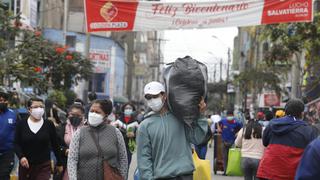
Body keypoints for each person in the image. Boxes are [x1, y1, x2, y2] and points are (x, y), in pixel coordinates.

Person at [137, 81, 209, 180]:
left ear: (164, 96)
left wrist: (200, 116)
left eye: (155, 96)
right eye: (149, 97)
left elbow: (197, 138)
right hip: (162, 177)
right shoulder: (145, 126)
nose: (152, 100)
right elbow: (144, 158)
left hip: (185, 175)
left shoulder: (180, 118)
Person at [257, 98, 318, 180]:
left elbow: (265, 142)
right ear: (302, 113)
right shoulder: (309, 130)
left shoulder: (272, 124)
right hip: (291, 174)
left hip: (267, 172)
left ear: (285, 111)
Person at [67, 99, 128, 180]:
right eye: (91, 111)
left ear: (105, 116)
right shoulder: (79, 133)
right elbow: (72, 159)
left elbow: (123, 158)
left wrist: (122, 177)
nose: (93, 114)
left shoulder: (116, 133)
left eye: (97, 112)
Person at [14, 98, 63, 180]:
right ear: (29, 109)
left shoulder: (49, 124)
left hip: (43, 165)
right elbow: (16, 143)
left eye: (41, 107)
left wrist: (59, 162)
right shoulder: (21, 124)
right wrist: (21, 156)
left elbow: (55, 144)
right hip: (26, 166)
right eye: (36, 107)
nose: (39, 109)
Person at [56, 104, 85, 180]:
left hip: (82, 166)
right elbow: (55, 145)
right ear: (68, 114)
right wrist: (65, 151)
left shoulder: (87, 129)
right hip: (65, 164)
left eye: (78, 115)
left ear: (82, 116)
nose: (75, 117)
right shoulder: (61, 128)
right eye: (72, 114)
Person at [217, 110, 242, 175]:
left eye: (231, 115)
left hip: (232, 142)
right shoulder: (223, 121)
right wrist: (219, 128)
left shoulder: (236, 122)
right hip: (224, 142)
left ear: (233, 115)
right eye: (228, 116)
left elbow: (242, 129)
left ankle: (231, 170)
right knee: (225, 157)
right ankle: (225, 171)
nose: (229, 117)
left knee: (231, 157)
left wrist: (238, 133)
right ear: (227, 116)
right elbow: (217, 123)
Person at [0, 92, 18, 180]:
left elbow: (20, 132)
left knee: (3, 175)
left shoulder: (14, 115)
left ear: (6, 102)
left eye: (1, 101)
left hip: (7, 153)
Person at [117, 102, 139, 168]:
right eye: (126, 108)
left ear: (132, 110)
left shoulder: (135, 121)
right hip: (119, 146)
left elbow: (139, 133)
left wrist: (134, 134)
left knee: (127, 166)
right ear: (123, 109)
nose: (128, 109)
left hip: (129, 146)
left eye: (130, 108)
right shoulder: (118, 121)